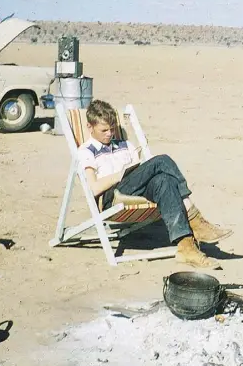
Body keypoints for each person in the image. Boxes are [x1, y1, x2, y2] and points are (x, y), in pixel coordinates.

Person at [78, 99, 232, 269]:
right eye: (104, 130)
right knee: (161, 161)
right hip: (112, 196)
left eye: (112, 129)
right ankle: (194, 218)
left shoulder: (125, 145)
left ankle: (186, 248)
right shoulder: (86, 151)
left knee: (164, 181)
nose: (110, 134)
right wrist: (119, 175)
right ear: (89, 127)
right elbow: (93, 188)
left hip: (135, 190)